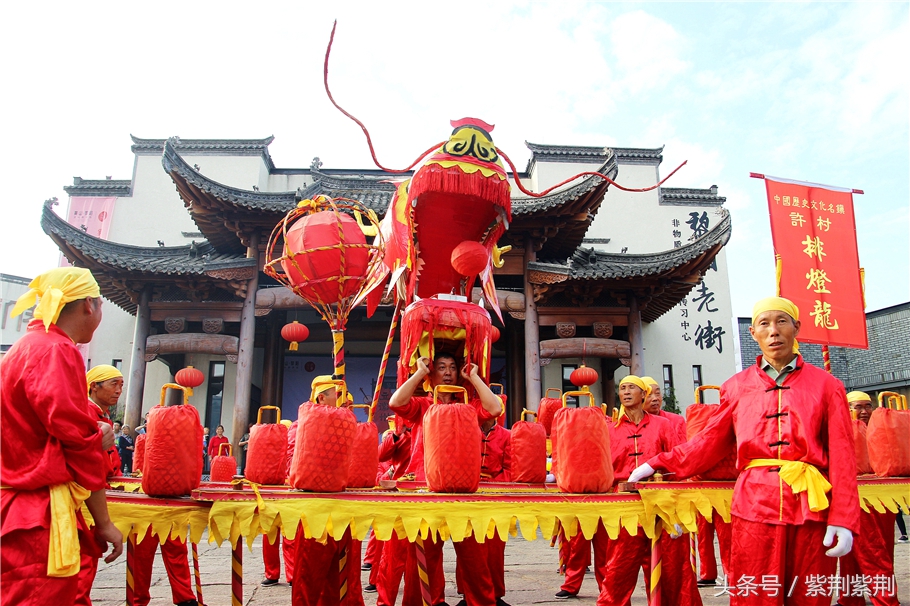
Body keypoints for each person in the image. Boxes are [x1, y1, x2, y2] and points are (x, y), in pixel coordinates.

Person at [630, 296, 859, 606]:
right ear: (753, 333)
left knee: (808, 595)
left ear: (797, 328)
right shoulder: (736, 387)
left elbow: (843, 457)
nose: (773, 332)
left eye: (781, 322)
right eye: (764, 324)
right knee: (753, 592)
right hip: (754, 504)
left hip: (810, 504)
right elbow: (709, 442)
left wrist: (843, 518)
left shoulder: (827, 386)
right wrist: (658, 463)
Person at [1, 267, 122, 603]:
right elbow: (78, 442)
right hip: (37, 514)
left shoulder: (22, 347)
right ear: (89, 304)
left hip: (14, 506)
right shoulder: (58, 349)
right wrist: (104, 522)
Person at [389, 353, 503, 606]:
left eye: (453, 367)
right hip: (426, 484)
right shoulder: (422, 405)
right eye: (441, 367)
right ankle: (431, 601)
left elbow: (495, 408)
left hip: (465, 486)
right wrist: (418, 373)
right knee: (425, 553)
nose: (448, 371)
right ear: (432, 374)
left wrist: (473, 377)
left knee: (474, 552)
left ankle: (480, 601)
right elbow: (396, 403)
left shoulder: (469, 406)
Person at [291, 376, 364, 606]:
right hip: (316, 509)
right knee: (310, 574)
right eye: (340, 397)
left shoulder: (348, 424)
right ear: (321, 397)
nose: (346, 405)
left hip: (345, 506)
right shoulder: (302, 426)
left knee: (344, 573)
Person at [836, 391, 899, 606]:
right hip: (850, 497)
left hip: (880, 499)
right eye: (857, 407)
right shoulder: (841, 431)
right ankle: (850, 598)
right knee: (849, 552)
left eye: (868, 406)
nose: (864, 411)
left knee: (877, 551)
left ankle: (885, 599)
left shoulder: (884, 428)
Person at [454, 415, 512, 606]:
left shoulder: (507, 436)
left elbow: (510, 467)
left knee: (495, 547)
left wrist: (494, 487)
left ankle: (496, 594)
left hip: (497, 495)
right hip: (468, 492)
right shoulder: (466, 432)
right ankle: (466, 593)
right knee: (468, 546)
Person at [374, 415, 415, 603]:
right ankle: (384, 601)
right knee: (392, 557)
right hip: (401, 498)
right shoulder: (399, 435)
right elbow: (380, 455)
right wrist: (398, 434)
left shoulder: (436, 426)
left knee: (425, 558)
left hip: (426, 497)